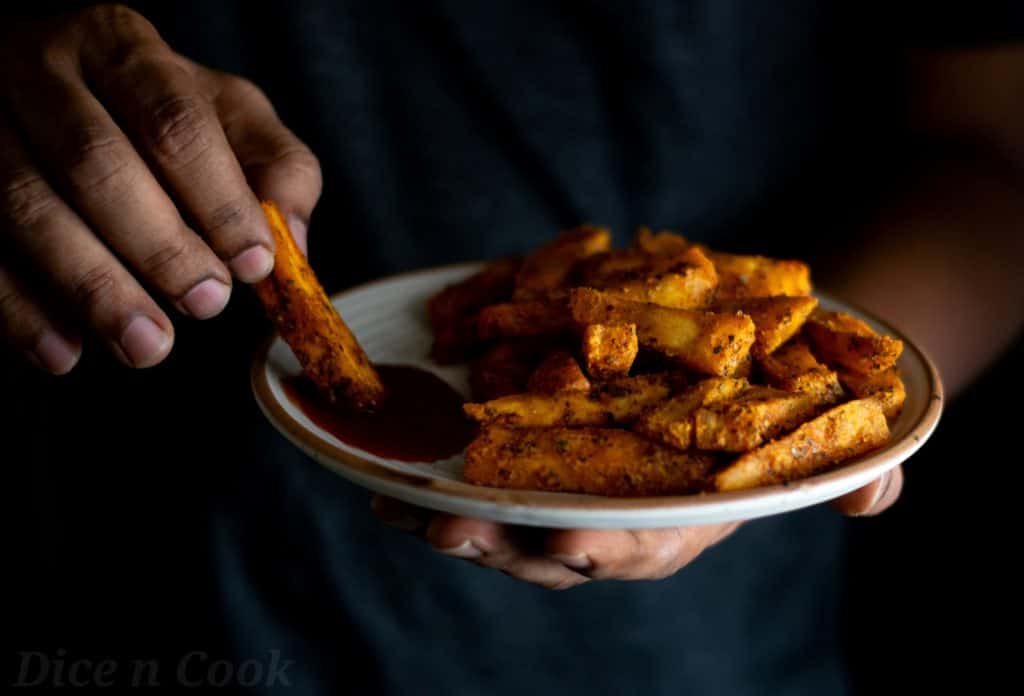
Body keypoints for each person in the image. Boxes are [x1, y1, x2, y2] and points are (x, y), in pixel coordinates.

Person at [2, 2, 1021, 693]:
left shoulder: (644, 338)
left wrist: (824, 435)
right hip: (150, 603)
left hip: (702, 656)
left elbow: (993, 159)